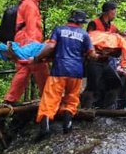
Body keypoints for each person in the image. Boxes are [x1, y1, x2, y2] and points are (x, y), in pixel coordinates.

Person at [34, 10, 96, 139]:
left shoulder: (59, 30)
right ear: (80, 22)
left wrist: (37, 57)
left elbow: (50, 47)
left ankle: (45, 127)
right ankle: (67, 124)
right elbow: (92, 54)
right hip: (76, 72)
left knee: (51, 98)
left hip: (59, 70)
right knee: (72, 98)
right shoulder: (84, 35)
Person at [3, 0, 49, 106]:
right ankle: (48, 96)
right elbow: (31, 26)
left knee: (29, 69)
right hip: (28, 41)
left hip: (24, 40)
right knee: (32, 67)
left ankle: (11, 99)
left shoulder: (28, 3)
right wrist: (34, 48)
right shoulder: (30, 5)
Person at [83, 1, 125, 109]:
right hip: (94, 61)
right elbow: (89, 40)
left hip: (105, 61)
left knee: (115, 83)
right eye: (114, 11)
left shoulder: (113, 28)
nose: (115, 14)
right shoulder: (94, 23)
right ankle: (85, 109)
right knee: (92, 86)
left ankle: (107, 107)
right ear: (108, 11)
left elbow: (119, 40)